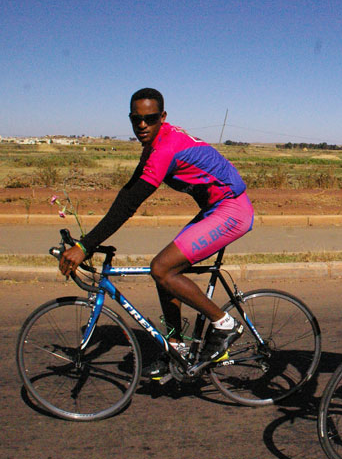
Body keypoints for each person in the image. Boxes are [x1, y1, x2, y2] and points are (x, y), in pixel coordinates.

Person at [59, 88, 255, 377]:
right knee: (164, 273)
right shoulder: (153, 146)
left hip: (232, 210)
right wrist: (85, 242)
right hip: (215, 208)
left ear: (162, 117)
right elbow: (127, 193)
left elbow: (130, 205)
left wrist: (85, 246)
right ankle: (177, 347)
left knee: (162, 268)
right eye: (136, 119)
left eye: (149, 119)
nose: (142, 125)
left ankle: (224, 323)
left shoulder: (164, 149)